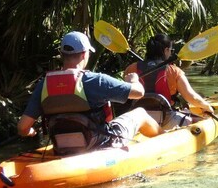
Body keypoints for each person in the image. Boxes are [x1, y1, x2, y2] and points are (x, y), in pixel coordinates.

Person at [17, 31, 165, 154]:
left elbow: (23, 128)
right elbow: (138, 93)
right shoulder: (95, 80)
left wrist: (30, 131)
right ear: (84, 55)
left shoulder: (44, 85)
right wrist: (134, 80)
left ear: (62, 54)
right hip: (99, 142)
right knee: (139, 113)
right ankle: (165, 142)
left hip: (61, 146)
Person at [124, 33, 214, 130]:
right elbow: (192, 97)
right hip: (165, 119)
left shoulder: (130, 69)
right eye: (171, 50)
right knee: (198, 121)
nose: (171, 53)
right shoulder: (174, 71)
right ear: (166, 50)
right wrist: (207, 106)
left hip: (137, 119)